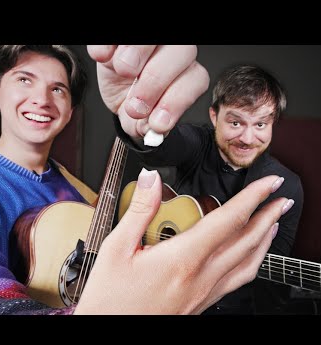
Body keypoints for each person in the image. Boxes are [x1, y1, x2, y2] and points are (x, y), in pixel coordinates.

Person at [0, 45, 294, 315]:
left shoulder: (83, 194)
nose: (42, 99)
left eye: (58, 89)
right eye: (24, 80)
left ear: (69, 110)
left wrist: (138, 116)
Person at [104, 58, 304, 314]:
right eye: (235, 123)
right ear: (214, 115)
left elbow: (269, 277)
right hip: (163, 294)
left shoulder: (287, 187)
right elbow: (165, 145)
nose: (247, 138)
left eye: (261, 124)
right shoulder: (198, 143)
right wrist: (141, 126)